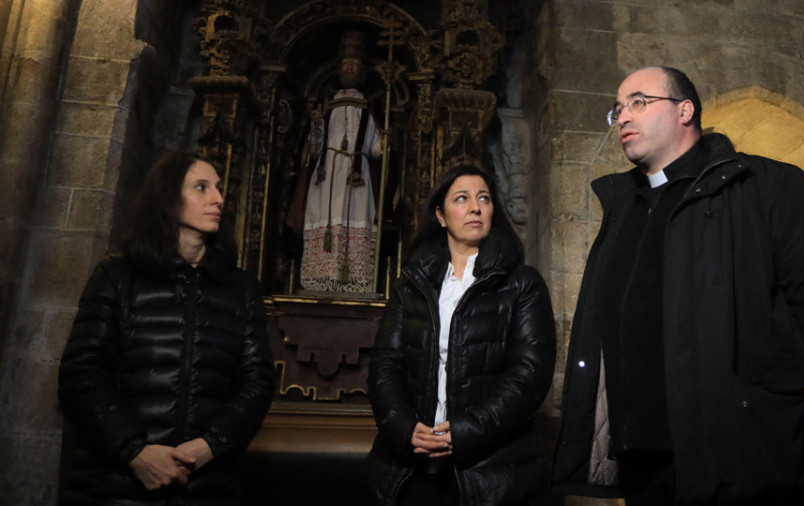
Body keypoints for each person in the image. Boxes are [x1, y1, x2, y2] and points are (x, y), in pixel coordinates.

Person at [551, 66, 804, 505]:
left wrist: (760, 393)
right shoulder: (624, 208)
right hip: (642, 462)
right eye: (617, 109)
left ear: (685, 110)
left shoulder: (766, 185)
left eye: (638, 102)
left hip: (743, 455)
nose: (623, 116)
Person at [58, 151, 275, 505]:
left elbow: (257, 381)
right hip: (115, 487)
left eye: (219, 189)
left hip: (206, 487)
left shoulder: (241, 290)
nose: (219, 198)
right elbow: (81, 374)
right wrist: (135, 451)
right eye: (201, 188)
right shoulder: (117, 277)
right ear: (167, 198)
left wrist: (210, 447)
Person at [366, 165, 557, 506]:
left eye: (483, 198)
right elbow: (385, 364)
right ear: (441, 216)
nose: (475, 207)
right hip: (412, 465)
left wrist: (465, 431)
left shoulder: (522, 284)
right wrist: (405, 429)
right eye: (462, 198)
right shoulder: (411, 286)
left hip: (491, 471)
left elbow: (529, 374)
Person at [285, 30, 383, 293]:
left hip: (356, 176)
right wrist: (316, 125)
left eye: (355, 65)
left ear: (361, 72)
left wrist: (385, 140)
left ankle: (351, 279)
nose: (350, 67)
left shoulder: (367, 110)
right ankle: (322, 278)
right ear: (339, 70)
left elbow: (376, 151)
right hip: (327, 176)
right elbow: (314, 150)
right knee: (325, 220)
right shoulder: (327, 109)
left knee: (354, 219)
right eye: (346, 64)